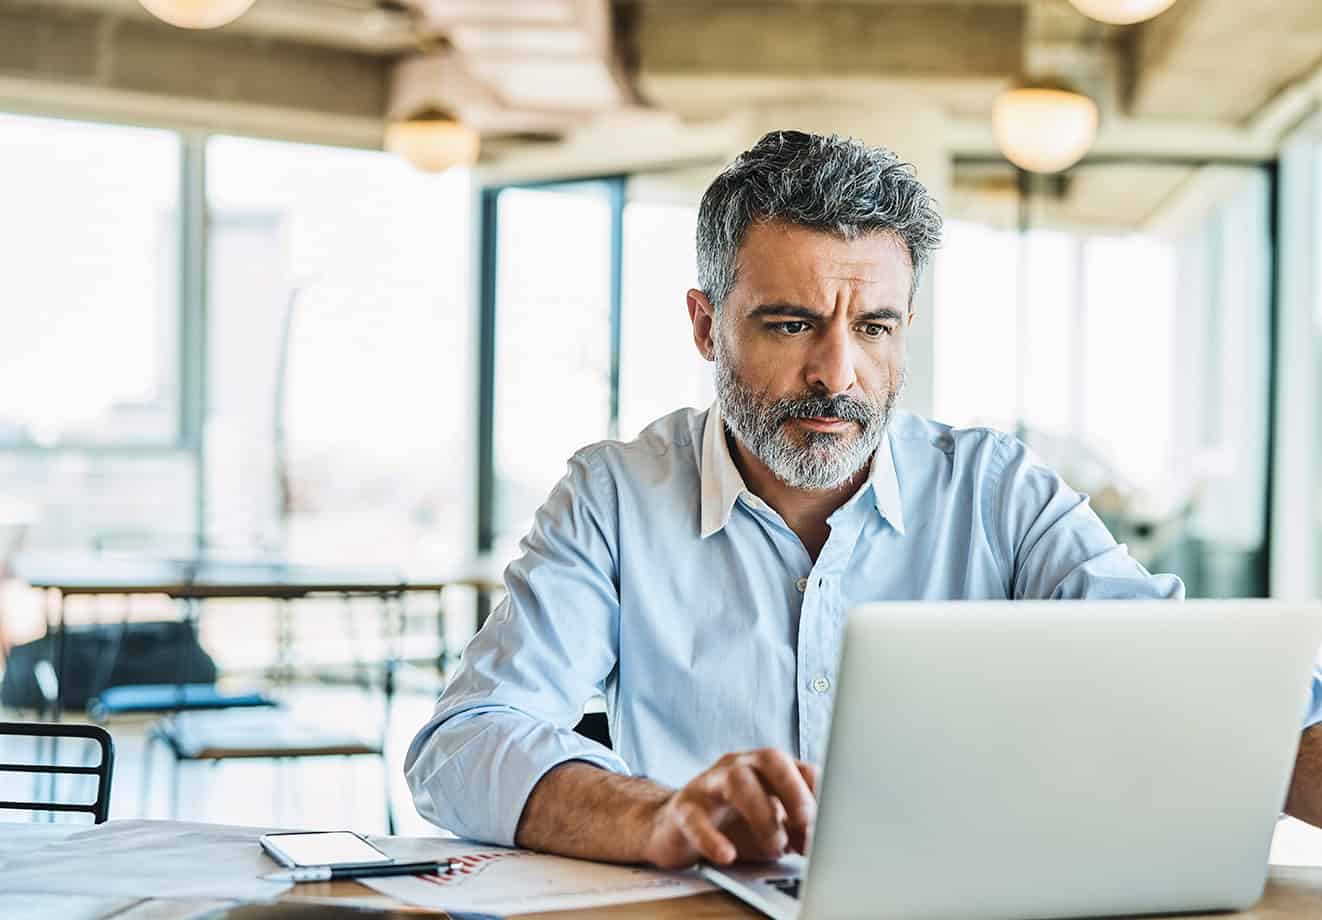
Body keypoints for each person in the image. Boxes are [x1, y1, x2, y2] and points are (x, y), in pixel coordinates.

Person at [406, 129, 1322, 869]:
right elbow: (465, 744)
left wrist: (1274, 741)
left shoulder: (998, 494)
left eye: (874, 327)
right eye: (791, 323)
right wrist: (662, 815)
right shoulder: (615, 496)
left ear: (905, 328)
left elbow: (1219, 693)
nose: (837, 374)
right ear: (706, 325)